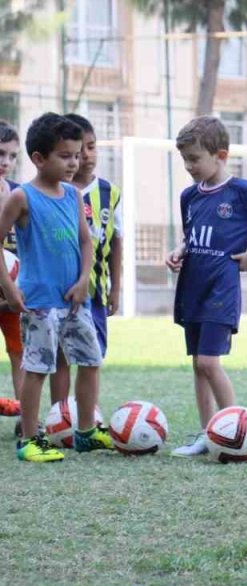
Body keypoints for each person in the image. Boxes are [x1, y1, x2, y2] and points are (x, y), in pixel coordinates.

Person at [166, 116, 247, 457]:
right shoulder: (188, 196)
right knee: (197, 363)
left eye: (195, 159)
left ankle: (237, 433)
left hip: (220, 292)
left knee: (209, 363)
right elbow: (191, 236)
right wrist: (180, 251)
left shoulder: (242, 191)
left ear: (220, 155)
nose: (189, 166)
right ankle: (208, 436)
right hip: (192, 288)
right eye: (185, 159)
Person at [0, 113, 105, 462]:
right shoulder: (22, 198)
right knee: (38, 368)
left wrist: (82, 282)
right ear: (39, 158)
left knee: (91, 361)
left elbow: (86, 243)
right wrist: (10, 291)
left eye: (77, 154)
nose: (74, 162)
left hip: (75, 301)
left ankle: (87, 431)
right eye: (65, 155)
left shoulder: (74, 197)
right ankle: (30, 440)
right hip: (39, 303)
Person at [49, 113, 122, 406]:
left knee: (92, 357)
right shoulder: (52, 191)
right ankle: (60, 415)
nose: (86, 157)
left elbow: (116, 241)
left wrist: (116, 288)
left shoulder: (110, 193)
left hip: (95, 293)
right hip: (58, 292)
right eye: (79, 152)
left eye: (91, 147)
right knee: (61, 356)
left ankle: (87, 415)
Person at [0, 121, 23, 427]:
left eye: (12, 156)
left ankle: (26, 415)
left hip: (15, 295)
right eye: (0, 153)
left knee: (21, 353)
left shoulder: (19, 194)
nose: (6, 161)